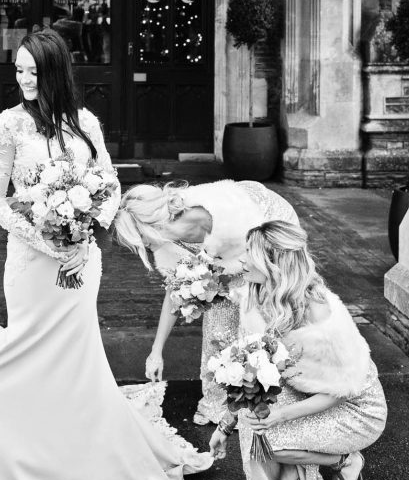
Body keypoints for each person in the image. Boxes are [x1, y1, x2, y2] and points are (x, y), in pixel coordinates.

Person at [0, 29, 212, 480]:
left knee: (75, 357)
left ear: (55, 72)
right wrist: (49, 241)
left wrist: (83, 241)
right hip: (29, 263)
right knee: (26, 349)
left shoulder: (86, 123)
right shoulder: (8, 126)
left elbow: (108, 184)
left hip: (83, 265)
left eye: (32, 71)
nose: (23, 79)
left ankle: (73, 453)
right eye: (17, 70)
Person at [208, 221, 388, 480]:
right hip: (305, 388)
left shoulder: (319, 312)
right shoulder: (255, 293)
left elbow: (342, 390)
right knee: (257, 427)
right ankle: (299, 466)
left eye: (248, 253)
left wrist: (278, 416)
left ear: (272, 262)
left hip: (355, 408)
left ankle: (346, 461)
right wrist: (225, 425)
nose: (241, 259)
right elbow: (248, 375)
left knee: (268, 440)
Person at [114, 179, 300, 425]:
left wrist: (228, 279)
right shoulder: (165, 244)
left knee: (260, 317)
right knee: (219, 327)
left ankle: (277, 398)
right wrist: (156, 351)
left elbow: (253, 264)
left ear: (151, 224)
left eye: (139, 237)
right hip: (227, 259)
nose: (142, 246)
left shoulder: (217, 209)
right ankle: (222, 406)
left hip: (266, 228)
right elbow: (175, 292)